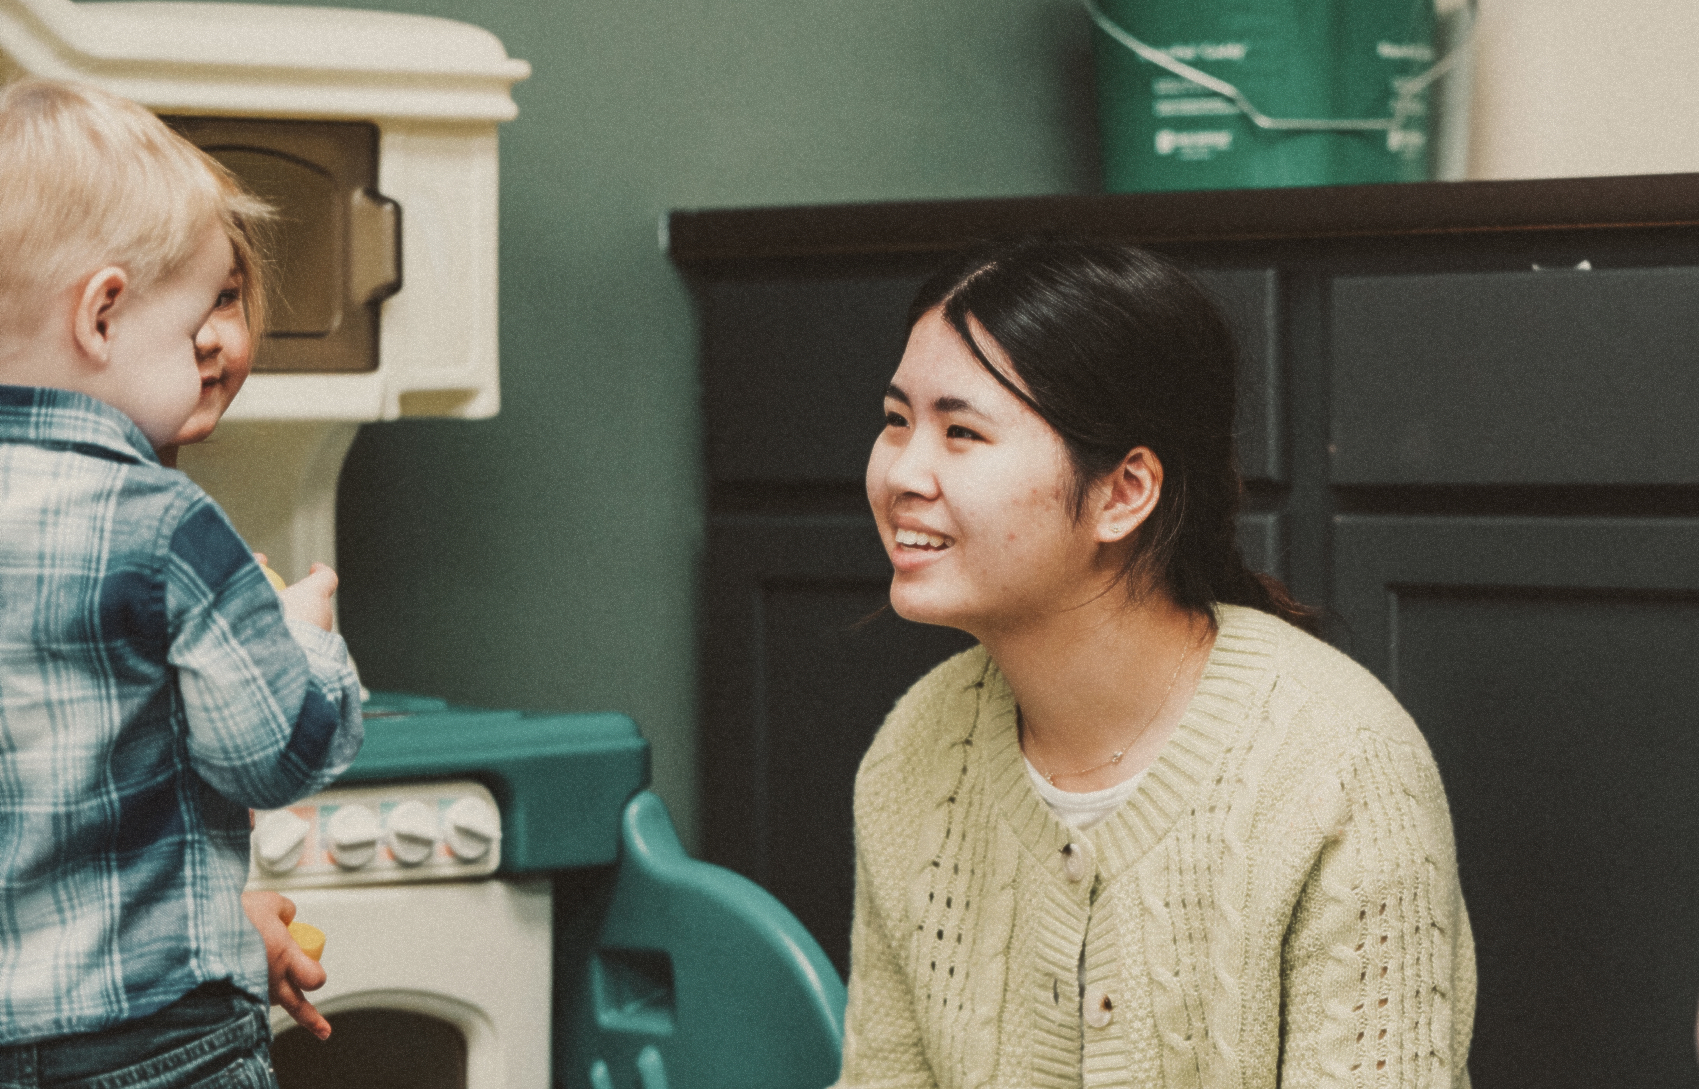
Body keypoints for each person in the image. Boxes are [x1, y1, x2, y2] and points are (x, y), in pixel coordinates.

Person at [841, 237, 1475, 1088]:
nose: (901, 473)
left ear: (1123, 491)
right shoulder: (916, 752)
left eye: (960, 431)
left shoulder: (1340, 768)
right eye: (895, 420)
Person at [0, 79, 362, 1086]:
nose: (216, 340)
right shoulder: (165, 529)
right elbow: (275, 759)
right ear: (103, 313)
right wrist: (300, 638)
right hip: (153, 1046)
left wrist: (224, 924)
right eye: (206, 303)